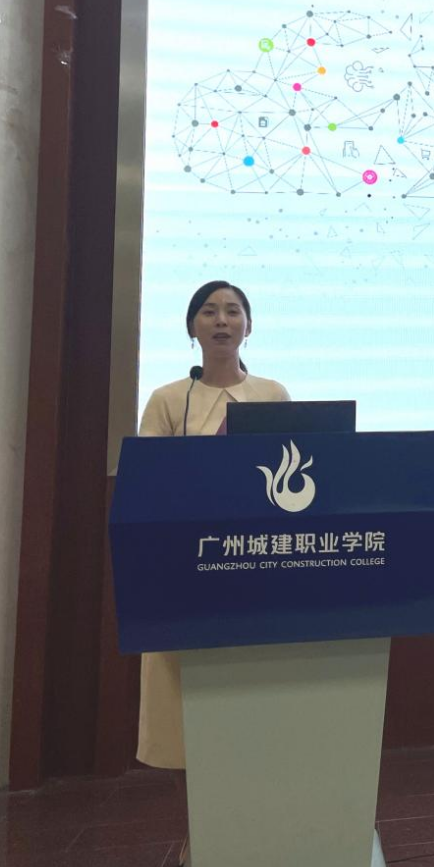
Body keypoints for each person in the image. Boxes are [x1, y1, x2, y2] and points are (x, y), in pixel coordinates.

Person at [136, 280, 290, 770]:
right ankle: (193, 801)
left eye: (232, 311)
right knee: (183, 691)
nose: (221, 320)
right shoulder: (167, 399)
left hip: (256, 561)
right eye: (208, 311)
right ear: (192, 327)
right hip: (186, 563)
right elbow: (147, 481)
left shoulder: (272, 394)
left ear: (248, 326)